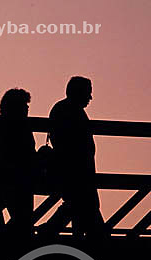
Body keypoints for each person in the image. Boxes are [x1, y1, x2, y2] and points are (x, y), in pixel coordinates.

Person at [48, 76, 105, 239]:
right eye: (88, 93)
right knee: (84, 205)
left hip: (76, 170)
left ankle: (53, 232)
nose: (90, 97)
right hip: (76, 170)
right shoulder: (70, 111)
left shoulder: (65, 109)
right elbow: (73, 145)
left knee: (79, 206)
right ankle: (50, 232)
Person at [0, 88, 36, 240]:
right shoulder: (18, 127)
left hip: (9, 179)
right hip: (16, 180)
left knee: (22, 221)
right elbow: (22, 154)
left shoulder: (2, 126)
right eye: (24, 104)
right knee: (23, 221)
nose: (27, 108)